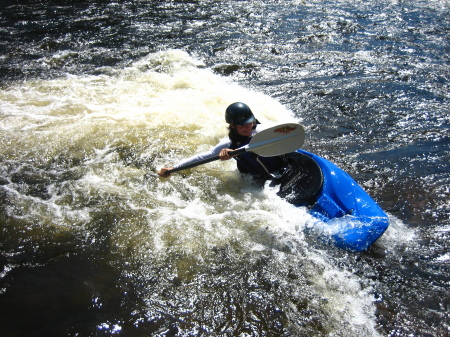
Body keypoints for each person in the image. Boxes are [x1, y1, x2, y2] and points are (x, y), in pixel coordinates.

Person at [157, 102, 287, 181]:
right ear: (232, 126)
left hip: (282, 168)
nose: (247, 127)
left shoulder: (263, 130)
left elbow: (286, 132)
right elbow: (203, 157)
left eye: (249, 123)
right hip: (255, 179)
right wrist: (173, 169)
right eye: (242, 125)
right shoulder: (229, 144)